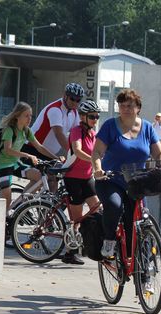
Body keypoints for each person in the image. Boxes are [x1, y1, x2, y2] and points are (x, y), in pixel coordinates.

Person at [91, 89, 161, 260]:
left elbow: (158, 154)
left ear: (138, 108)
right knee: (115, 206)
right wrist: (97, 169)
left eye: (130, 105)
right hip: (110, 180)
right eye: (122, 105)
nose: (125, 109)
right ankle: (109, 241)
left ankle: (143, 267)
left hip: (137, 183)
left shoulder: (147, 127)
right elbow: (97, 152)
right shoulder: (110, 126)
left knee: (138, 221)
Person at [0, 101, 60, 213]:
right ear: (17, 116)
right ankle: (1, 219)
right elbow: (8, 150)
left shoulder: (26, 131)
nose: (29, 118)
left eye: (31, 116)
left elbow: (39, 147)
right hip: (4, 165)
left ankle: (19, 205)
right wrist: (27, 155)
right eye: (26, 116)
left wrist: (55, 158)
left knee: (39, 178)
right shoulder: (10, 130)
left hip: (16, 164)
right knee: (7, 198)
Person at [60, 100, 102, 265]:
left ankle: (88, 241)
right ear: (83, 116)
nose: (95, 119)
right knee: (76, 218)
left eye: (97, 116)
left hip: (87, 177)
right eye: (92, 116)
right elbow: (77, 150)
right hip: (73, 178)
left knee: (97, 208)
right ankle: (70, 252)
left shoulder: (92, 133)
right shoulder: (76, 131)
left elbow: (99, 150)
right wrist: (93, 160)